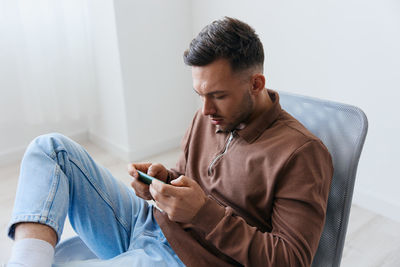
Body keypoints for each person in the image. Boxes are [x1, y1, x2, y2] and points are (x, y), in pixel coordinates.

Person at [7, 17, 333, 267]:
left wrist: (205, 214)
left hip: (187, 259)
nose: (205, 110)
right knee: (50, 148)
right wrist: (161, 182)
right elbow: (187, 177)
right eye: (200, 95)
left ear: (256, 84)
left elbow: (291, 259)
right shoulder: (209, 116)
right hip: (148, 222)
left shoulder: (302, 153)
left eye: (218, 96)